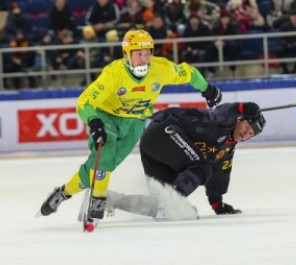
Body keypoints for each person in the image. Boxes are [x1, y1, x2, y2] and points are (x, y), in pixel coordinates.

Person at [39, 28, 223, 221]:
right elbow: (84, 102)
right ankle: (98, 198)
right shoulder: (114, 74)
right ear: (127, 54)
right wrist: (94, 122)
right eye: (138, 54)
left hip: (135, 123)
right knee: (105, 154)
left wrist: (208, 89)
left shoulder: (160, 69)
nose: (144, 59)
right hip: (106, 117)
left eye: (147, 53)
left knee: (102, 167)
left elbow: (189, 74)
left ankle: (62, 193)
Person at [106, 102, 266, 219]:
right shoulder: (223, 122)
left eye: (251, 134)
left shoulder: (227, 148)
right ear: (240, 120)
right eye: (247, 127)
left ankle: (107, 199)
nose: (246, 134)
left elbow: (220, 174)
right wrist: (246, 108)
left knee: (160, 201)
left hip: (155, 149)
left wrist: (218, 205)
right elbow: (226, 110)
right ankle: (171, 204)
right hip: (164, 131)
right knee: (202, 168)